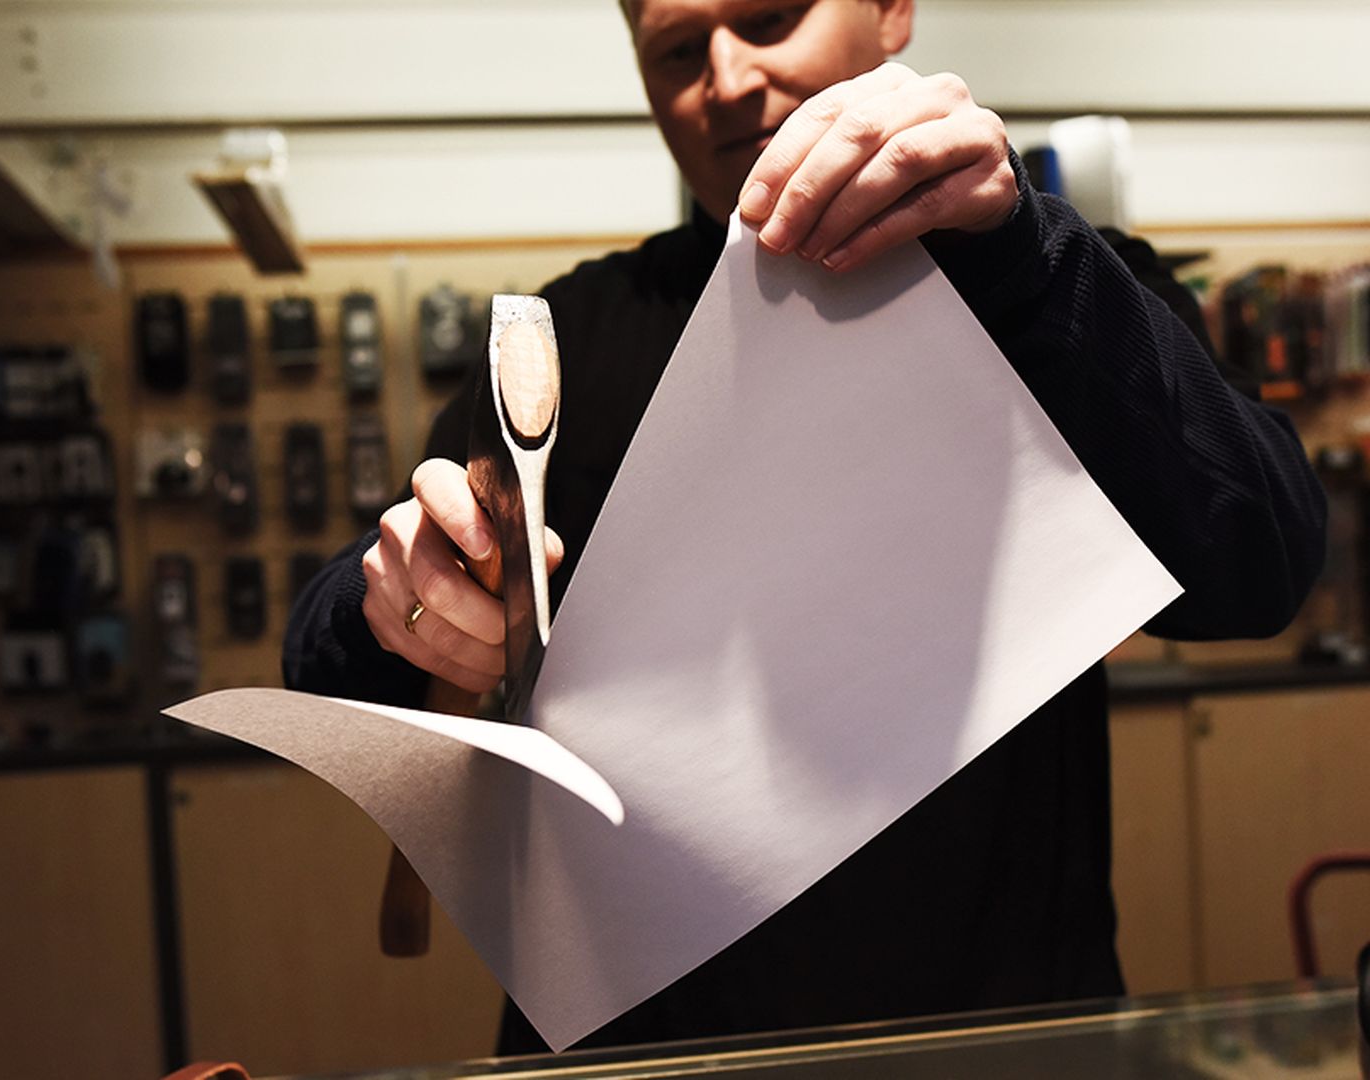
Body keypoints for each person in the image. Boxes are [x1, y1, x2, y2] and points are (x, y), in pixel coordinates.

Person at [285, 0, 1326, 1055]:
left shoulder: (1054, 285)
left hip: (993, 1033)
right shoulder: (571, 334)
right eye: (679, 51)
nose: (727, 78)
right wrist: (395, 602)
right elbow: (333, 648)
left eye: (771, 17)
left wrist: (1023, 254)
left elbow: (1262, 560)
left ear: (890, 13)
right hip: (638, 1044)